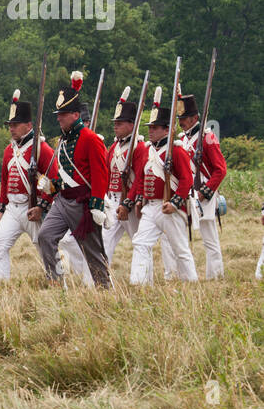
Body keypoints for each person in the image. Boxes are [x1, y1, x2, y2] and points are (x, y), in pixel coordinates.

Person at [0, 89, 90, 282]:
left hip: (32, 207)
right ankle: (0, 285)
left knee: (43, 245)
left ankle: (58, 280)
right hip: (12, 208)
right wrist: (2, 207)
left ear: (28, 125)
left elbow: (52, 182)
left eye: (15, 124)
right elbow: (4, 182)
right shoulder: (8, 151)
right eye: (10, 125)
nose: (11, 128)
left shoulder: (42, 149)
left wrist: (41, 206)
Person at [36, 72, 112, 288]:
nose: (59, 117)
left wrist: (97, 205)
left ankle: (105, 290)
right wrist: (50, 186)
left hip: (83, 204)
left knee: (93, 253)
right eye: (59, 113)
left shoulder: (91, 139)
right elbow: (64, 174)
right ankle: (57, 282)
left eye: (64, 113)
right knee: (45, 236)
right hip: (62, 200)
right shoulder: (62, 140)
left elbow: (100, 174)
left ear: (76, 114)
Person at [128, 89, 198, 284]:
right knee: (140, 242)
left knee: (180, 248)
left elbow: (186, 180)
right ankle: (139, 282)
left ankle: (191, 283)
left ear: (167, 130)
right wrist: (140, 199)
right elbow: (142, 178)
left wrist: (175, 203)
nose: (150, 131)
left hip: (170, 207)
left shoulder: (176, 151)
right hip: (151, 207)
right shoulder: (148, 151)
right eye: (150, 127)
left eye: (155, 127)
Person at [172, 92, 228, 280]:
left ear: (195, 118)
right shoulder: (184, 138)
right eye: (180, 118)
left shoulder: (207, 137)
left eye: (185, 118)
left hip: (204, 191)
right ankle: (183, 275)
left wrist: (204, 193)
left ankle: (215, 276)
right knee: (179, 234)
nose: (182, 122)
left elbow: (220, 170)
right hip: (187, 191)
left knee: (209, 238)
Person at [102, 87, 144, 260]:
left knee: (140, 242)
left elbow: (140, 178)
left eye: (120, 122)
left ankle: (143, 280)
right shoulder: (114, 147)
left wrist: (128, 203)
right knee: (104, 242)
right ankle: (101, 281)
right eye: (115, 122)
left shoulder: (139, 148)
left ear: (132, 125)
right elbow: (107, 174)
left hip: (129, 201)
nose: (115, 125)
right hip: (112, 201)